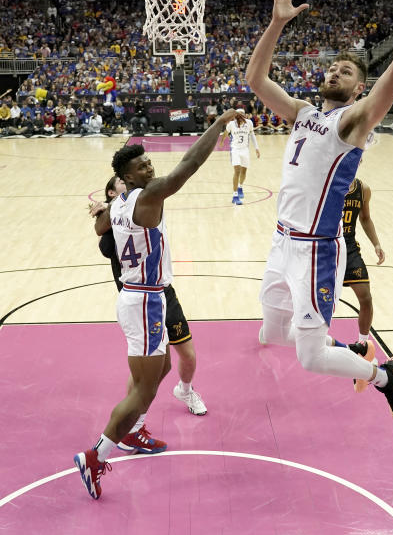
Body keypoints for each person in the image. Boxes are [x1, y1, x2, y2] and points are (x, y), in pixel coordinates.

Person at [244, 0, 393, 421]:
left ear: (359, 89)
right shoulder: (302, 112)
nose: (334, 72)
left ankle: (386, 375)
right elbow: (256, 81)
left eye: (345, 72)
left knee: (310, 358)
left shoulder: (352, 122)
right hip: (282, 241)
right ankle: (353, 349)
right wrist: (277, 22)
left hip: (317, 250)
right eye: (332, 67)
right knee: (273, 332)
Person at [73, 109, 239, 500]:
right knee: (144, 393)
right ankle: (96, 454)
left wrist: (100, 212)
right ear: (128, 177)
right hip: (145, 300)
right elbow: (189, 164)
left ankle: (126, 430)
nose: (149, 165)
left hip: (143, 297)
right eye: (141, 164)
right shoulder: (147, 196)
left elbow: (102, 227)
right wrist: (218, 125)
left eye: (149, 161)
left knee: (163, 365)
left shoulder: (118, 203)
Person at [90, 176, 208, 417]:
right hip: (139, 301)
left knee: (187, 355)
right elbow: (104, 244)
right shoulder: (114, 227)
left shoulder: (146, 206)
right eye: (122, 182)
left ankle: (185, 390)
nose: (130, 184)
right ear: (113, 193)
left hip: (164, 292)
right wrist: (108, 212)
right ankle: (132, 419)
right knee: (147, 372)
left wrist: (111, 207)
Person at [340, 177, 385, 368]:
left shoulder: (363, 189)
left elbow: (365, 218)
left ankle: (363, 345)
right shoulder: (328, 183)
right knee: (324, 300)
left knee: (365, 297)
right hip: (327, 247)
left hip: (349, 248)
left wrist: (376, 243)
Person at [219, 108, 260, 204]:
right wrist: (221, 141)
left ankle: (240, 187)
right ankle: (235, 195)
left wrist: (256, 148)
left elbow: (252, 135)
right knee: (237, 171)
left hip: (245, 150)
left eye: (242, 114)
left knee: (244, 172)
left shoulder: (249, 123)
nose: (241, 116)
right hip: (235, 149)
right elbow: (225, 132)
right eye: (239, 114)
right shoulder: (231, 124)